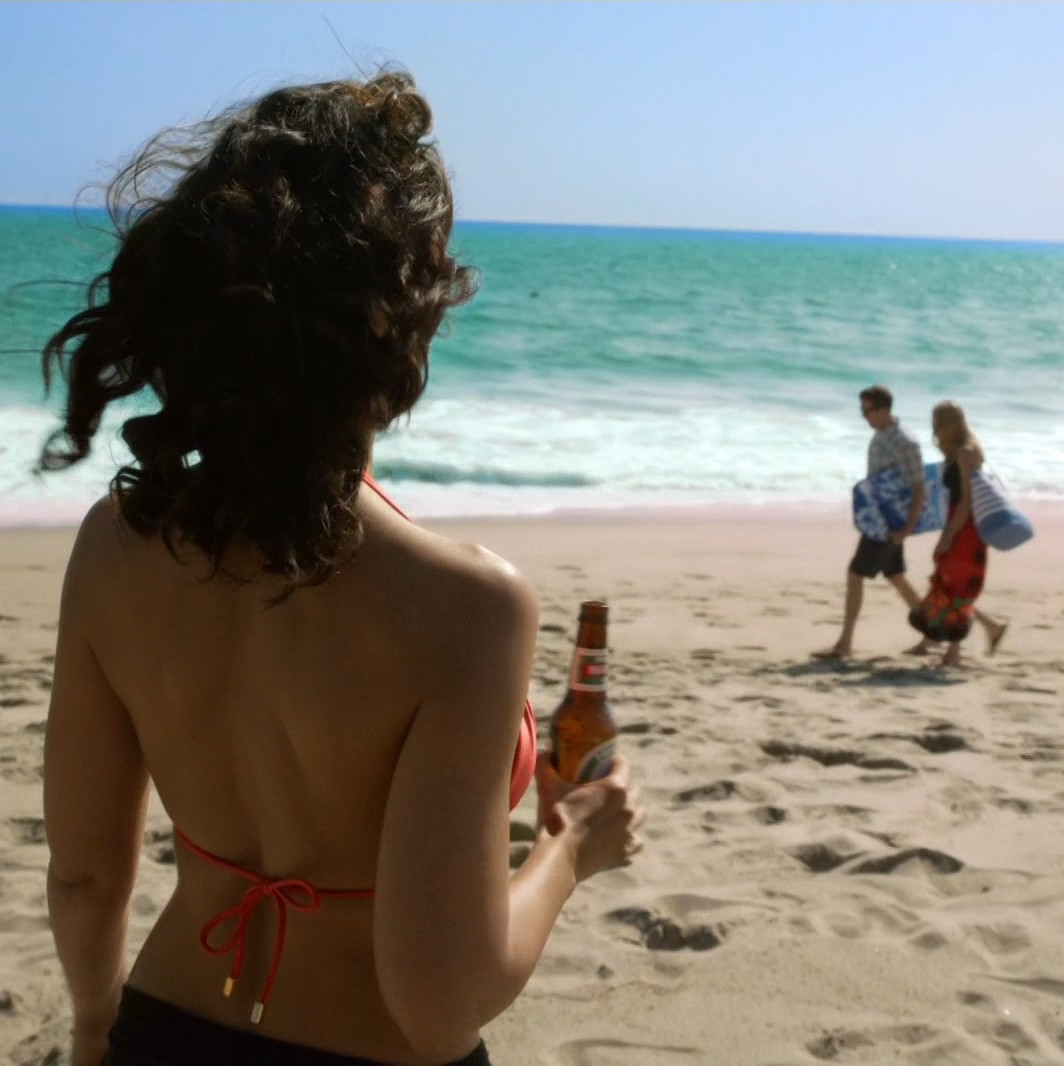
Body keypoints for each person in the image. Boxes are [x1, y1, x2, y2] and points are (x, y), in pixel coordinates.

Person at [35, 70, 643, 1066]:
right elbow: (438, 1002)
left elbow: (84, 875)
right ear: (399, 324)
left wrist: (93, 1026)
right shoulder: (466, 605)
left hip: (165, 1023)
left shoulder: (112, 546)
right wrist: (571, 845)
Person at [814, 384, 926, 661]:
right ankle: (935, 630)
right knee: (895, 576)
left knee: (855, 575)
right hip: (879, 520)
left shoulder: (906, 442)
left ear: (885, 409)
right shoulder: (880, 435)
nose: (865, 417)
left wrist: (907, 529)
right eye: (862, 411)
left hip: (889, 526)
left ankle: (845, 644)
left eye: (869, 411)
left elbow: (919, 487)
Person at [905, 401, 1010, 667]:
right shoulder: (958, 452)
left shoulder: (965, 452)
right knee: (946, 583)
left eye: (937, 422)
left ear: (949, 423)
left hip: (966, 529)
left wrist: (948, 537)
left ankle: (954, 650)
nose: (934, 429)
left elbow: (965, 502)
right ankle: (981, 631)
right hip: (958, 523)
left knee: (956, 585)